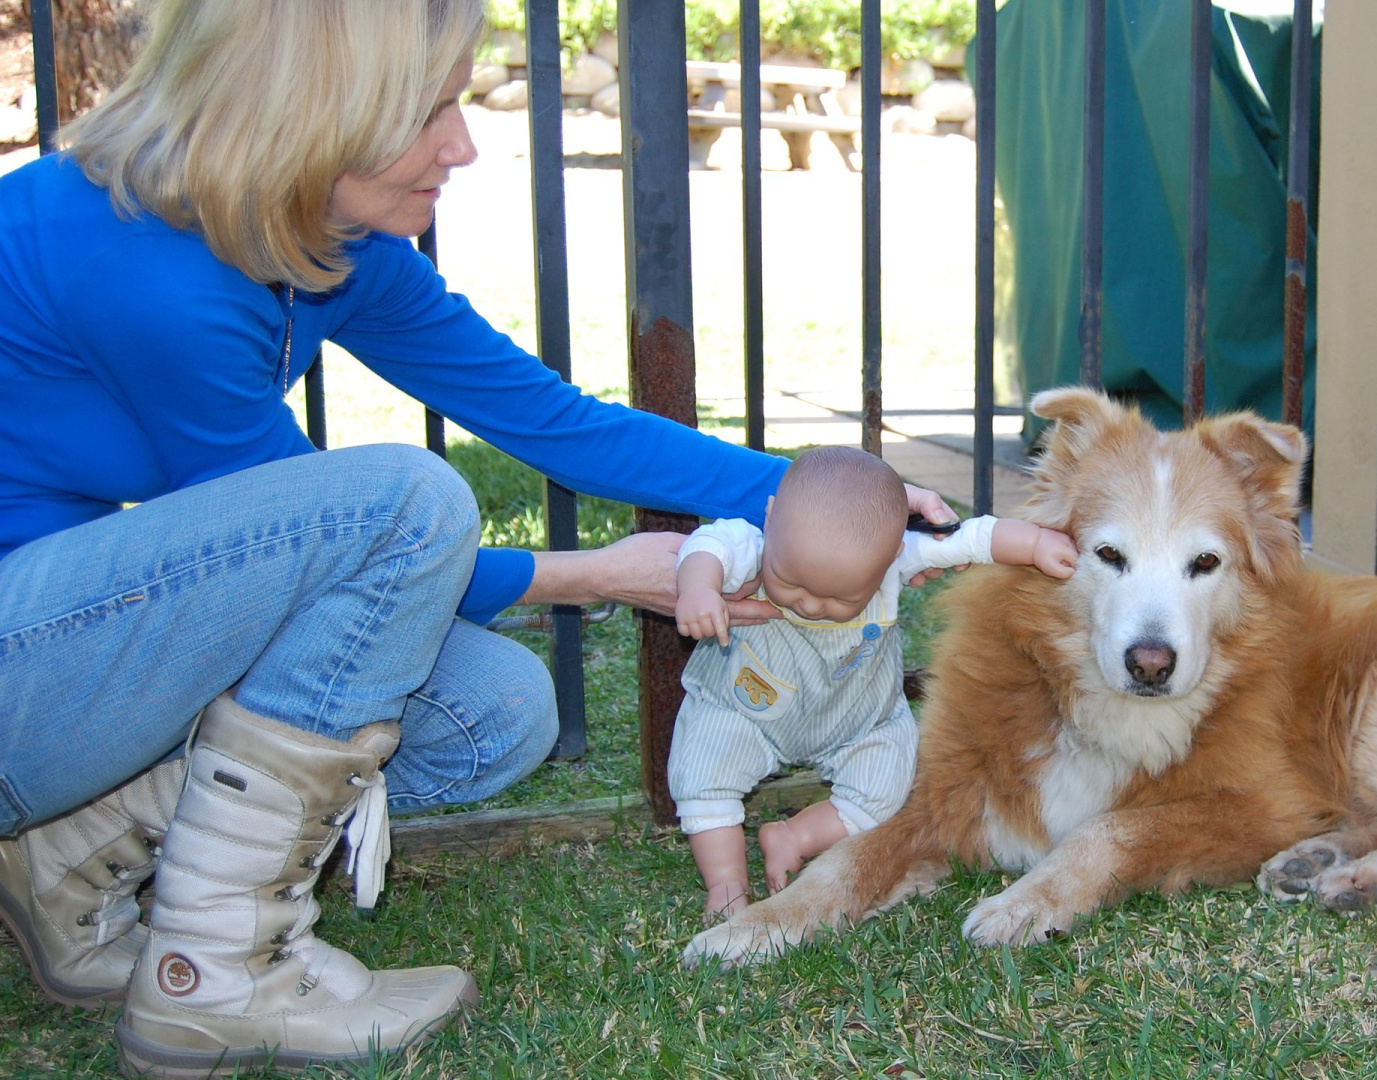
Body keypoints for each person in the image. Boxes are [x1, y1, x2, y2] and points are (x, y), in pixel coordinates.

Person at [0, 1, 957, 1075]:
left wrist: (828, 495)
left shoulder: (324, 240)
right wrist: (596, 575)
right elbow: (350, 546)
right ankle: (216, 980)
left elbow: (559, 424)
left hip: (57, 655)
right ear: (306, 113)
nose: (463, 142)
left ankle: (65, 852)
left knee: (493, 716)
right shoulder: (149, 270)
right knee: (406, 501)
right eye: (430, 107)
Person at [671, 447, 1077, 918]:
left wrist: (1032, 545)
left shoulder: (893, 558)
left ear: (895, 554)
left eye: (841, 597)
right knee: (704, 777)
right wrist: (699, 589)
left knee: (886, 789)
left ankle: (794, 835)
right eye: (790, 580)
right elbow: (707, 546)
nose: (810, 604)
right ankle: (726, 885)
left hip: (855, 720)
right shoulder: (755, 542)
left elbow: (974, 538)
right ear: (770, 514)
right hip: (743, 711)